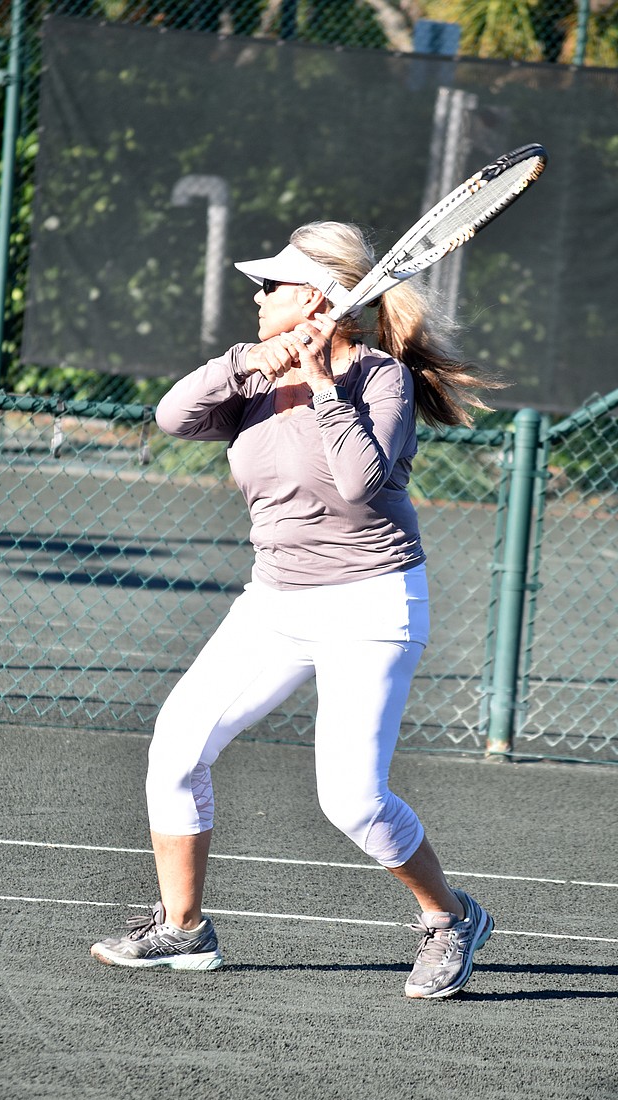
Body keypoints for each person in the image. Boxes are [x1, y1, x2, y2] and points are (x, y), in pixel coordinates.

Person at [91, 220, 497, 999]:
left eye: (272, 285)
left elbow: (358, 482)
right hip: (274, 600)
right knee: (175, 748)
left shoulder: (381, 378)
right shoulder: (250, 373)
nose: (258, 295)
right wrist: (252, 360)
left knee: (351, 797)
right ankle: (184, 928)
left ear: (315, 297)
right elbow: (173, 417)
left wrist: (320, 383)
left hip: (371, 602)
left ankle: (449, 918)